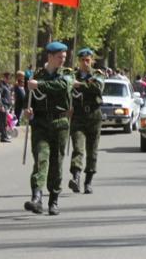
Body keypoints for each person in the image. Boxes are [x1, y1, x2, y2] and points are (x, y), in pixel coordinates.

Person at [23, 42, 73, 216]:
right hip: (41, 124)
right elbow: (29, 98)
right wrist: (27, 111)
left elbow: (62, 87)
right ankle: (37, 198)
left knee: (56, 162)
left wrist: (39, 85)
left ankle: (54, 199)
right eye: (59, 57)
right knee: (40, 158)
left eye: (64, 57)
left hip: (59, 124)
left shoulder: (66, 74)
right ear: (50, 57)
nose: (62, 60)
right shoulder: (36, 75)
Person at [68, 48, 104, 195]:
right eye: (82, 60)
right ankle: (75, 177)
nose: (85, 63)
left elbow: (97, 88)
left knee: (92, 150)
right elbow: (65, 90)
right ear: (78, 61)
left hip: (94, 116)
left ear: (92, 60)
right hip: (78, 116)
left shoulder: (98, 75)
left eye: (87, 60)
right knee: (78, 148)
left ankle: (88, 181)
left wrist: (80, 85)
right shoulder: (71, 76)